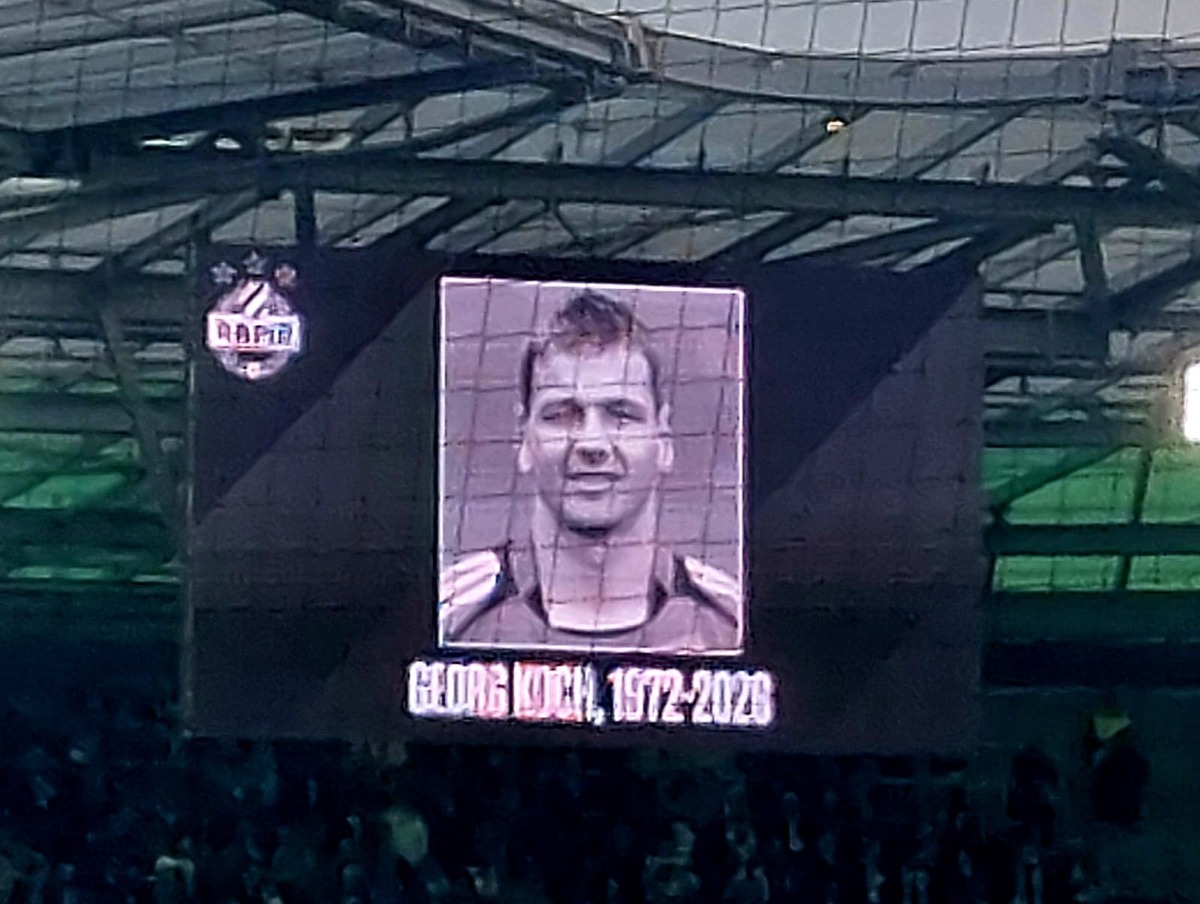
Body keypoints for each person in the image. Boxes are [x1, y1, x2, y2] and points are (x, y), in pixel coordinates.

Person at [440, 288, 742, 654]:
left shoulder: (732, 625)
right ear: (523, 438)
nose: (592, 443)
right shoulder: (449, 620)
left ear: (663, 438)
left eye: (621, 415)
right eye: (561, 415)